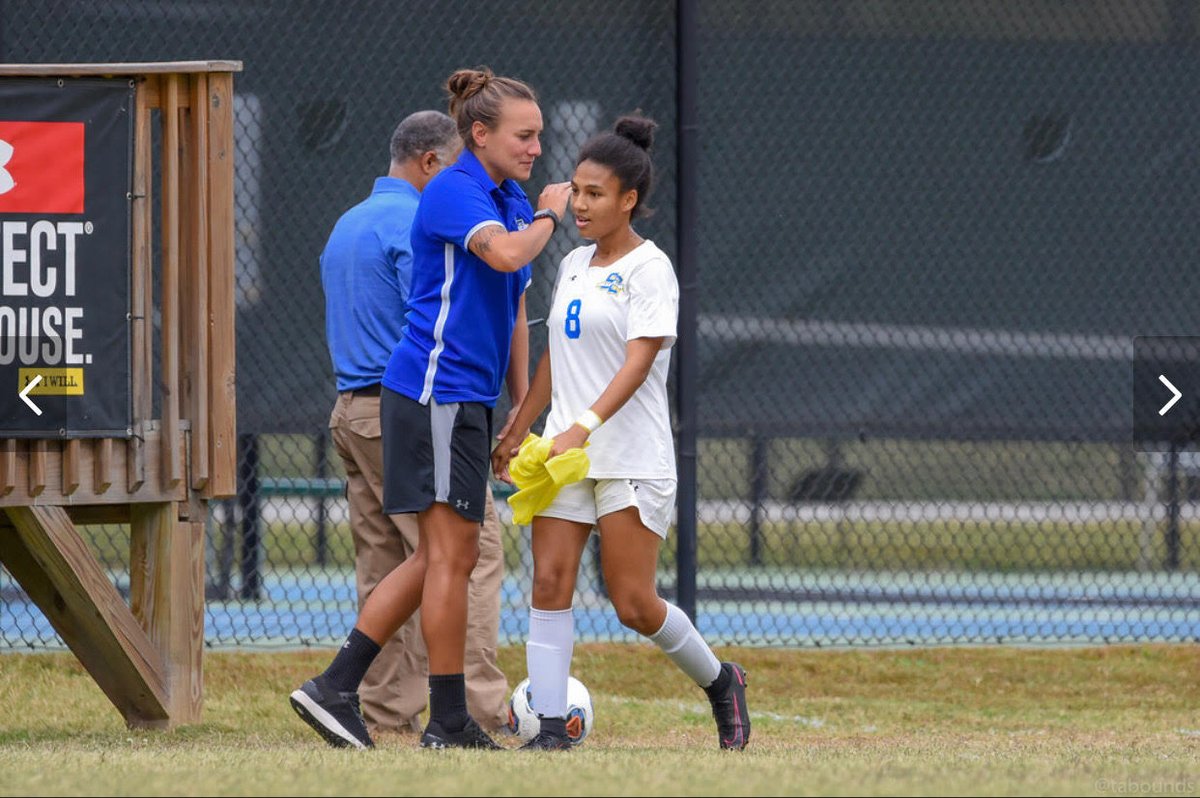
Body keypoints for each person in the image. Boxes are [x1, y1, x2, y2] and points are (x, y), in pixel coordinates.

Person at [291, 67, 572, 750]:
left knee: (444, 558)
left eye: (539, 136)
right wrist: (550, 214)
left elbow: (513, 305)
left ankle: (431, 717)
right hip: (431, 393)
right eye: (524, 135)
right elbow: (507, 258)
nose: (537, 147)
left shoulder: (505, 195)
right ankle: (356, 693)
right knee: (447, 556)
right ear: (480, 134)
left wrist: (515, 413)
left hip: (468, 400)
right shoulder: (451, 191)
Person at [492, 115, 751, 751]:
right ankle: (549, 728)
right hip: (563, 453)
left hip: (629, 455)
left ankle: (722, 682)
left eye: (595, 194)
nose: (579, 205)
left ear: (628, 199)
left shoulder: (650, 269)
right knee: (549, 584)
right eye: (575, 190)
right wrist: (517, 428)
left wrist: (584, 427)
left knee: (633, 603)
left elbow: (639, 363)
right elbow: (557, 359)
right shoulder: (574, 262)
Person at [319, 109, 509, 737]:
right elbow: (430, 322)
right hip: (412, 408)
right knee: (464, 552)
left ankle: (381, 713)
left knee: (384, 563)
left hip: (350, 411)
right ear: (431, 162)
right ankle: (476, 709)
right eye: (455, 167)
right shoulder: (415, 220)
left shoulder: (348, 221)